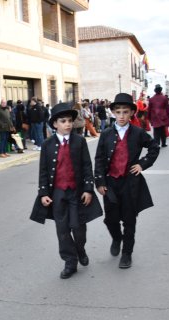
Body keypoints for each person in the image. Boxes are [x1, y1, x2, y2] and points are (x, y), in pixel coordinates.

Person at [30, 103, 103, 279]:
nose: (68, 124)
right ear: (55, 124)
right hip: (58, 194)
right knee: (62, 230)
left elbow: (87, 166)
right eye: (63, 121)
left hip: (76, 193)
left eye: (70, 121)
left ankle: (80, 249)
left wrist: (88, 189)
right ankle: (70, 262)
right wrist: (44, 193)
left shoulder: (79, 141)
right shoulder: (47, 145)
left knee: (78, 228)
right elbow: (44, 171)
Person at [94, 93, 160, 269]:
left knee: (130, 219)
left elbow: (154, 147)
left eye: (125, 112)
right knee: (110, 218)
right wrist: (99, 182)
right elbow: (99, 158)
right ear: (113, 113)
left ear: (131, 113)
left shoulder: (138, 133)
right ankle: (117, 238)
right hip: (110, 183)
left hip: (130, 183)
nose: (122, 115)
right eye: (118, 112)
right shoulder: (106, 134)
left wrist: (142, 164)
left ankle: (127, 254)